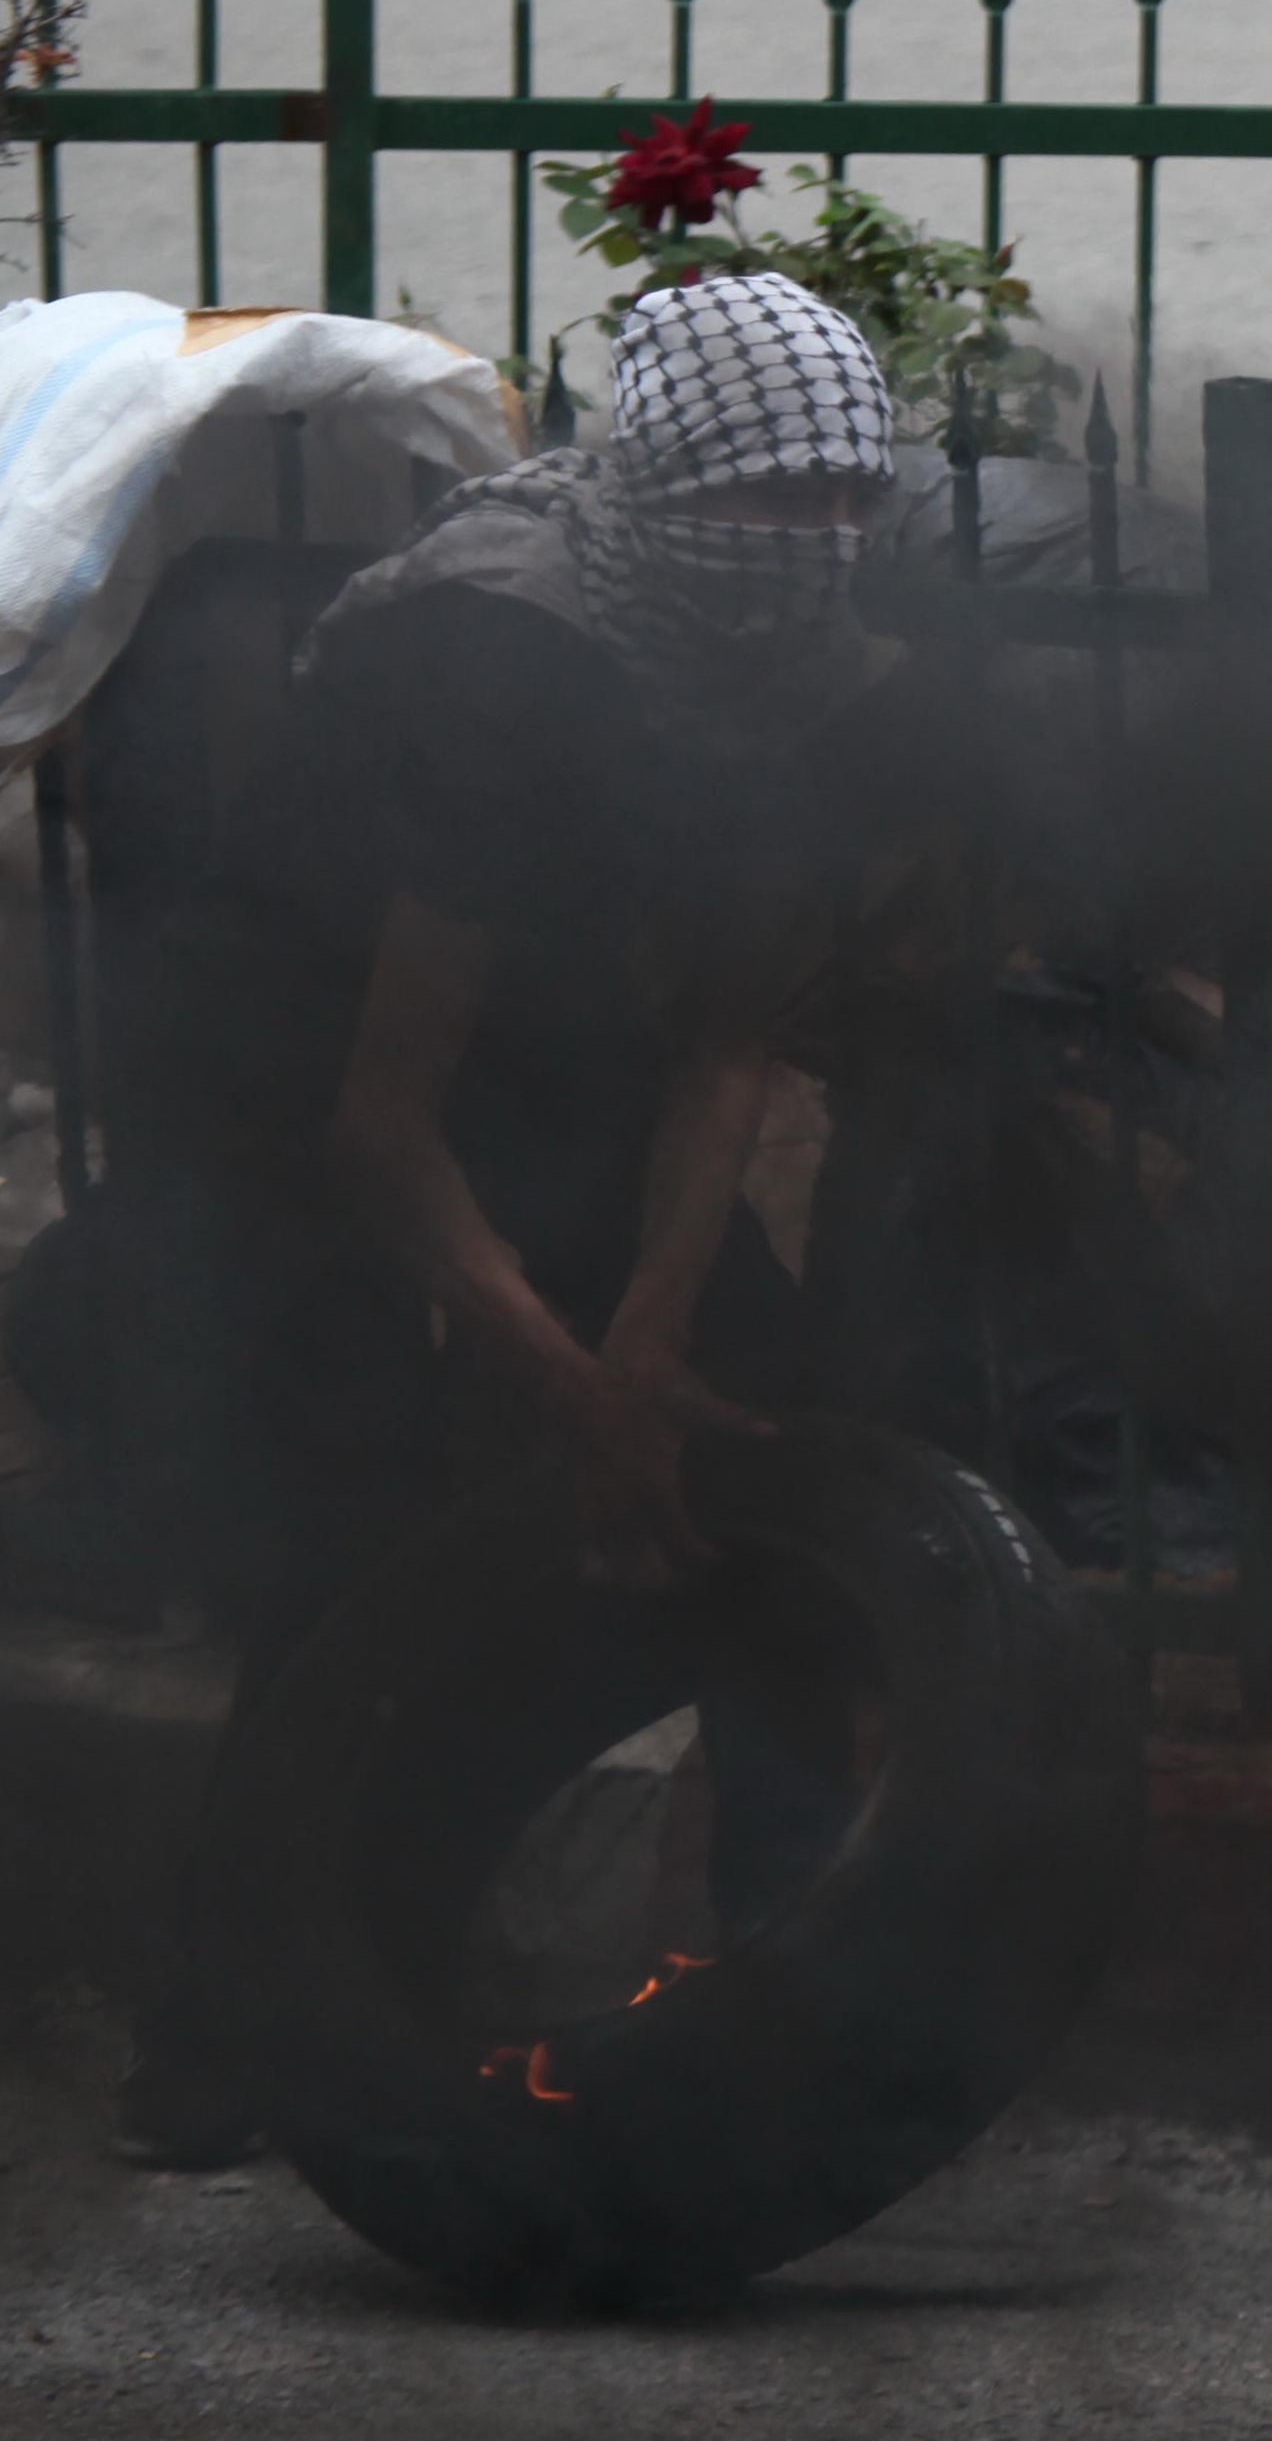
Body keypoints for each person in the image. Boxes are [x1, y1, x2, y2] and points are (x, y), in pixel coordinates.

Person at [106, 271, 898, 2166]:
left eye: (843, 506)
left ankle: (811, 2001)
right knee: (351, 1530)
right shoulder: (498, 655)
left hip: (569, 1050)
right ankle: (227, 2042)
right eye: (764, 506)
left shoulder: (837, 681)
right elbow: (384, 1119)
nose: (806, 553)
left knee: (754, 1450)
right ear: (667, 484)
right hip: (290, 1072)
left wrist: (648, 1341)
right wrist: (556, 1366)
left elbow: (726, 1044)